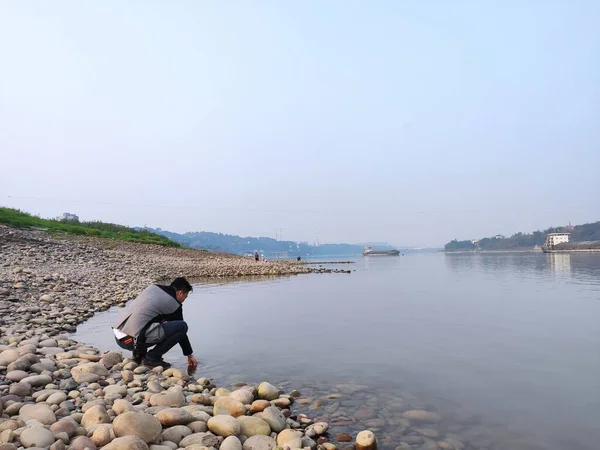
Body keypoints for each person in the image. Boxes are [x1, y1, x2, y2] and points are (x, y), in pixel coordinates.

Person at [112, 277, 198, 369]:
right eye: (185, 297)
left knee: (148, 319)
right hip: (130, 341)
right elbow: (181, 332)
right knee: (181, 326)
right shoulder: (173, 303)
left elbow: (142, 316)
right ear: (180, 293)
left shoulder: (153, 288)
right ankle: (152, 358)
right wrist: (189, 354)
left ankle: (138, 356)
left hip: (119, 336)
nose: (184, 300)